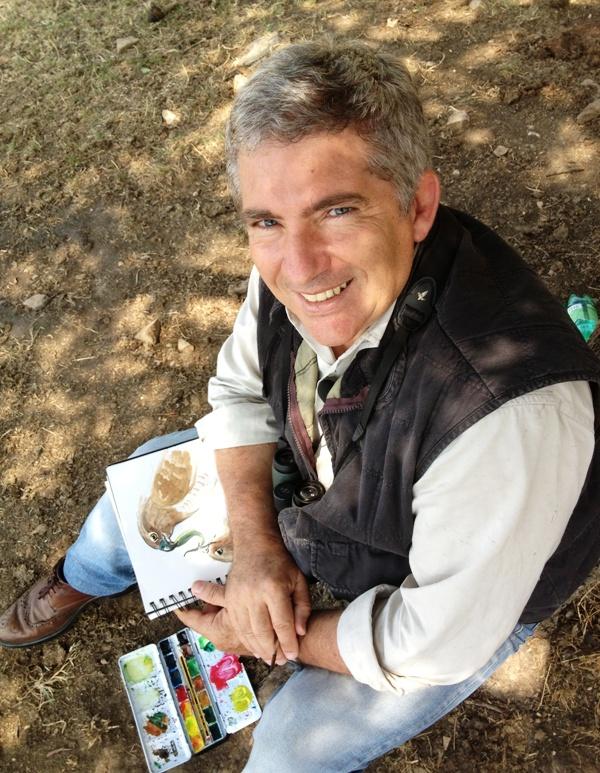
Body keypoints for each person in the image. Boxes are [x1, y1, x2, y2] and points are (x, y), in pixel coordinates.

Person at [1, 40, 599, 771]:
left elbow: (432, 640)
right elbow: (238, 390)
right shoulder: (299, 265)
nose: (300, 266)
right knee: (139, 485)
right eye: (266, 222)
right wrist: (256, 546)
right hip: (337, 485)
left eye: (336, 211)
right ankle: (82, 578)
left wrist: (270, 637)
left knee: (288, 751)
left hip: (452, 586)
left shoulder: (505, 414)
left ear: (418, 205)